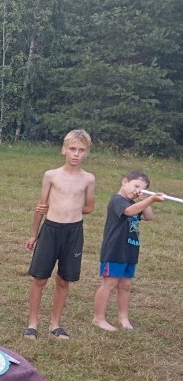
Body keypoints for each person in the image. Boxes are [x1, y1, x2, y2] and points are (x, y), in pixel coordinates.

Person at [24, 129, 95, 340]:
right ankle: (32, 323)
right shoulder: (51, 176)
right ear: (64, 149)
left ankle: (55, 324)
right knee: (39, 278)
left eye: (81, 150)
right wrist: (33, 234)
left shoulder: (88, 179)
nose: (76, 154)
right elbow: (41, 206)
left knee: (64, 280)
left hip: (73, 232)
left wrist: (71, 208)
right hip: (50, 230)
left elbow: (89, 207)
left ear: (86, 152)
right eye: (72, 149)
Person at [93, 171, 164, 331]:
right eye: (136, 186)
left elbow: (148, 216)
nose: (137, 191)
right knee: (109, 283)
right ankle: (98, 318)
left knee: (125, 285)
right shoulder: (117, 200)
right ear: (125, 181)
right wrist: (151, 199)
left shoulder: (134, 203)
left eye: (142, 189)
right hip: (115, 250)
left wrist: (146, 200)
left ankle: (123, 317)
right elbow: (128, 212)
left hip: (130, 250)